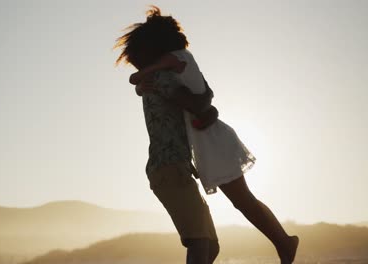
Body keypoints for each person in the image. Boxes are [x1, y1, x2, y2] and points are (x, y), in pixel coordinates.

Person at [115, 6, 299, 264]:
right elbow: (198, 101)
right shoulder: (163, 76)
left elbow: (197, 101)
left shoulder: (165, 73)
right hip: (186, 155)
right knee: (219, 227)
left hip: (196, 151)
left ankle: (284, 242)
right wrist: (208, 107)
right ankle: (284, 242)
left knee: (222, 229)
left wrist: (208, 108)